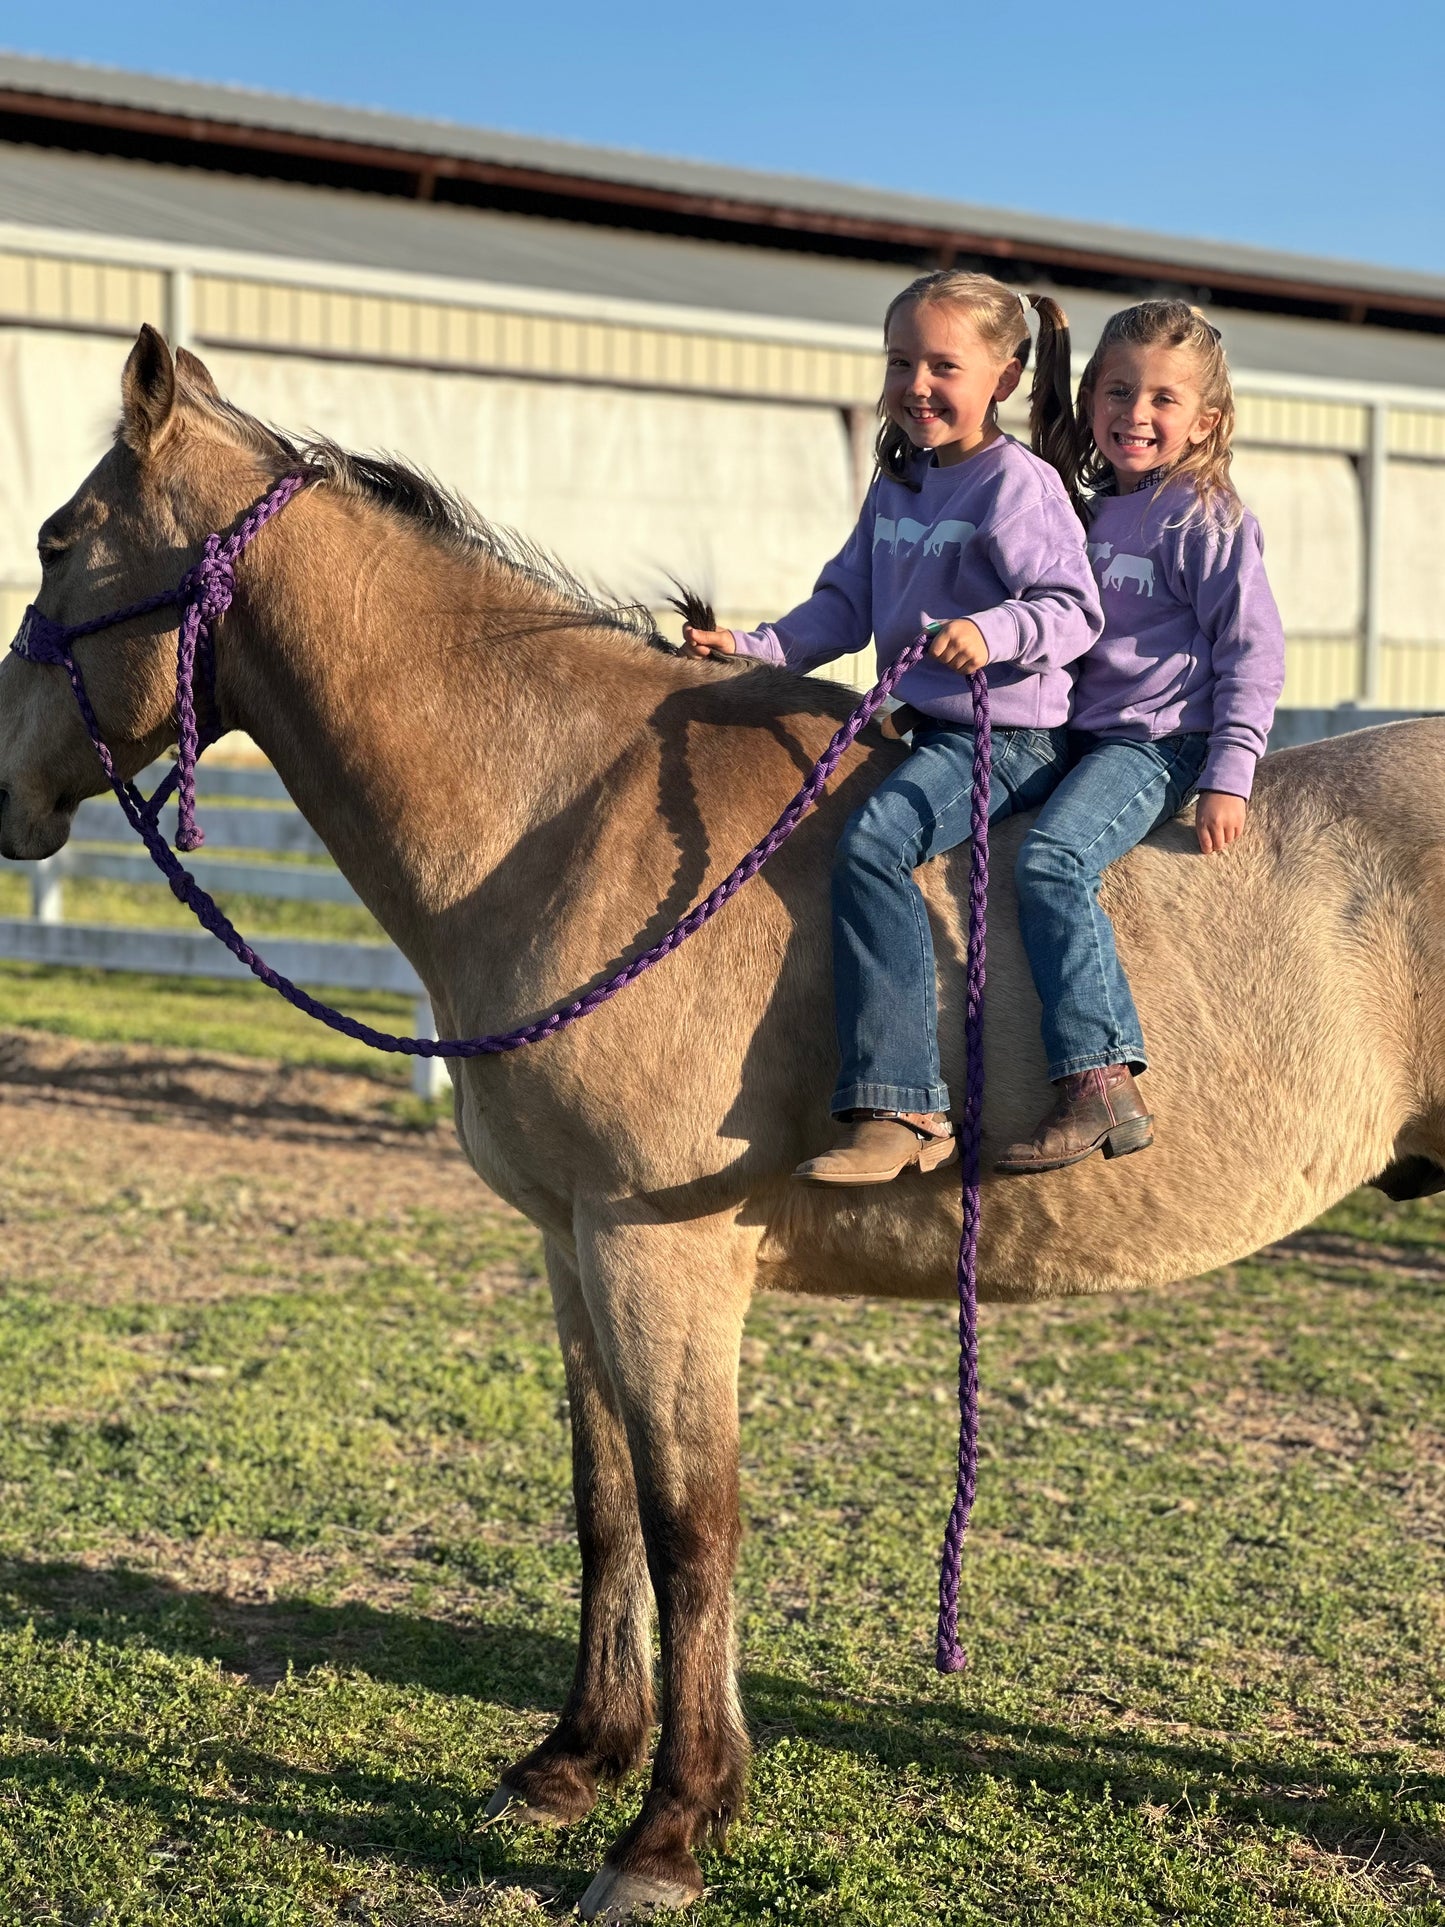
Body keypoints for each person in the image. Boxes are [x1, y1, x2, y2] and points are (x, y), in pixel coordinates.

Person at [683, 269, 1103, 1185]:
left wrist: (989, 632)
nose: (916, 383)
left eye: (941, 364)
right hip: (927, 730)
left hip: (1007, 738)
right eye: (900, 360)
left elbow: (1074, 611)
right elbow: (841, 604)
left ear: (1004, 374)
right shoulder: (898, 486)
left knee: (874, 845)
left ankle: (906, 1103)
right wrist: (751, 650)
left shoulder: (1017, 486)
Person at [997, 299, 1286, 1175]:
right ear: (1089, 400)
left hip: (1157, 741)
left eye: (1164, 398)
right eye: (1118, 391)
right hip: (1074, 730)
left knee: (1051, 860)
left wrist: (1229, 771)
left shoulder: (1205, 519)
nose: (1137, 413)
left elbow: (1253, 651)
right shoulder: (1081, 511)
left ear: (1205, 420)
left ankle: (1098, 1078)